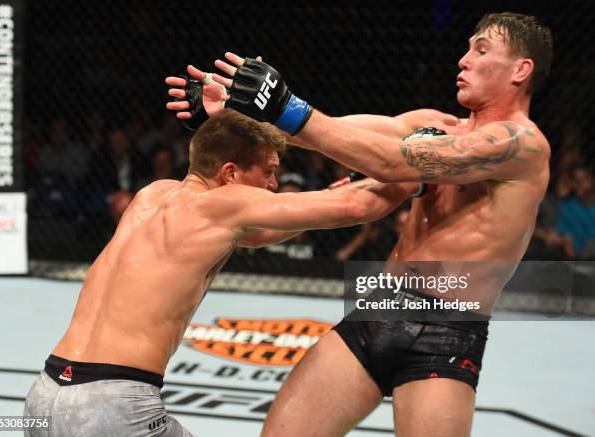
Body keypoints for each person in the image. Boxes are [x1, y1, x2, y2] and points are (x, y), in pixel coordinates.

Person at [166, 11, 553, 437]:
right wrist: (233, 120)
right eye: (466, 48)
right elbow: (327, 132)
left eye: (481, 50)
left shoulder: (522, 146)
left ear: (521, 69)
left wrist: (286, 107)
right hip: (377, 312)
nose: (463, 60)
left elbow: (391, 161)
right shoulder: (434, 124)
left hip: (445, 331)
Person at [23, 110, 419, 437]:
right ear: (230, 174)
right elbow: (357, 210)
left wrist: (344, 186)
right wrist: (420, 171)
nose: (273, 183)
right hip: (112, 408)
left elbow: (263, 233)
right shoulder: (221, 206)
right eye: (267, 171)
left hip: (43, 396)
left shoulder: (152, 195)